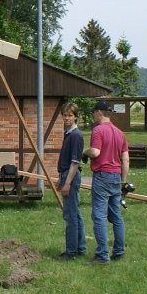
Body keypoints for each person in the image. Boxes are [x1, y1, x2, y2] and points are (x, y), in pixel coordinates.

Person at [86, 99, 128, 264]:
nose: (93, 115)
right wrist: (123, 182)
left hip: (102, 176)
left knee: (99, 216)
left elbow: (95, 152)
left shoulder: (98, 131)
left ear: (98, 112)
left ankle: (102, 255)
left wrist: (85, 151)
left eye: (93, 113)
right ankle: (119, 251)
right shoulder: (120, 133)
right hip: (116, 177)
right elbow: (125, 159)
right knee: (116, 215)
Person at [55, 102, 86, 259]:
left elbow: (75, 162)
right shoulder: (67, 133)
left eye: (70, 115)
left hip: (71, 176)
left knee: (70, 215)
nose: (67, 118)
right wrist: (61, 178)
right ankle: (80, 247)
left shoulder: (75, 135)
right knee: (76, 213)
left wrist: (67, 183)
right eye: (65, 115)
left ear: (75, 117)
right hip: (66, 175)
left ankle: (71, 251)